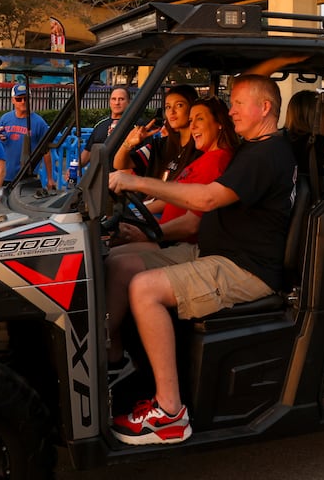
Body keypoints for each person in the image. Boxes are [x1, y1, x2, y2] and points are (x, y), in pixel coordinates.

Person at [106, 75, 297, 445]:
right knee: (119, 262)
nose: (231, 110)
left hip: (245, 268)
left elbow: (206, 200)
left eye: (239, 103)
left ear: (265, 108)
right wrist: (148, 229)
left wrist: (138, 183)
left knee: (145, 289)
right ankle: (115, 361)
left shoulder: (267, 154)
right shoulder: (250, 148)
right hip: (212, 252)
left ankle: (170, 412)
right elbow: (199, 211)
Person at [104, 98, 239, 370]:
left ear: (220, 124)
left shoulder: (217, 162)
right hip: (165, 237)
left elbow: (192, 224)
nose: (192, 125)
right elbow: (170, 197)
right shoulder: (201, 159)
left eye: (199, 119)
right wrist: (136, 214)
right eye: (193, 120)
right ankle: (113, 348)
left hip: (182, 244)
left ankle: (102, 345)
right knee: (108, 255)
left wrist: (150, 234)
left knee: (117, 265)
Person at [114, 84, 198, 181]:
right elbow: (119, 164)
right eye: (168, 107)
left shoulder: (200, 147)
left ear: (192, 108)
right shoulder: (161, 145)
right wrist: (128, 143)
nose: (172, 111)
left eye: (179, 105)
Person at [0, 82, 53, 191]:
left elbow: (46, 151)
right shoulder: (4, 119)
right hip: (6, 175)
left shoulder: (39, 123)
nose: (23, 102)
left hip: (28, 175)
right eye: (19, 99)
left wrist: (50, 178)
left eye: (26, 98)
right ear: (13, 100)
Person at [80, 85, 130, 169]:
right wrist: (74, 167)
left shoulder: (136, 125)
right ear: (109, 102)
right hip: (101, 176)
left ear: (128, 102)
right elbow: (88, 151)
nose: (117, 103)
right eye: (114, 99)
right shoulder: (100, 124)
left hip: (125, 177)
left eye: (121, 99)